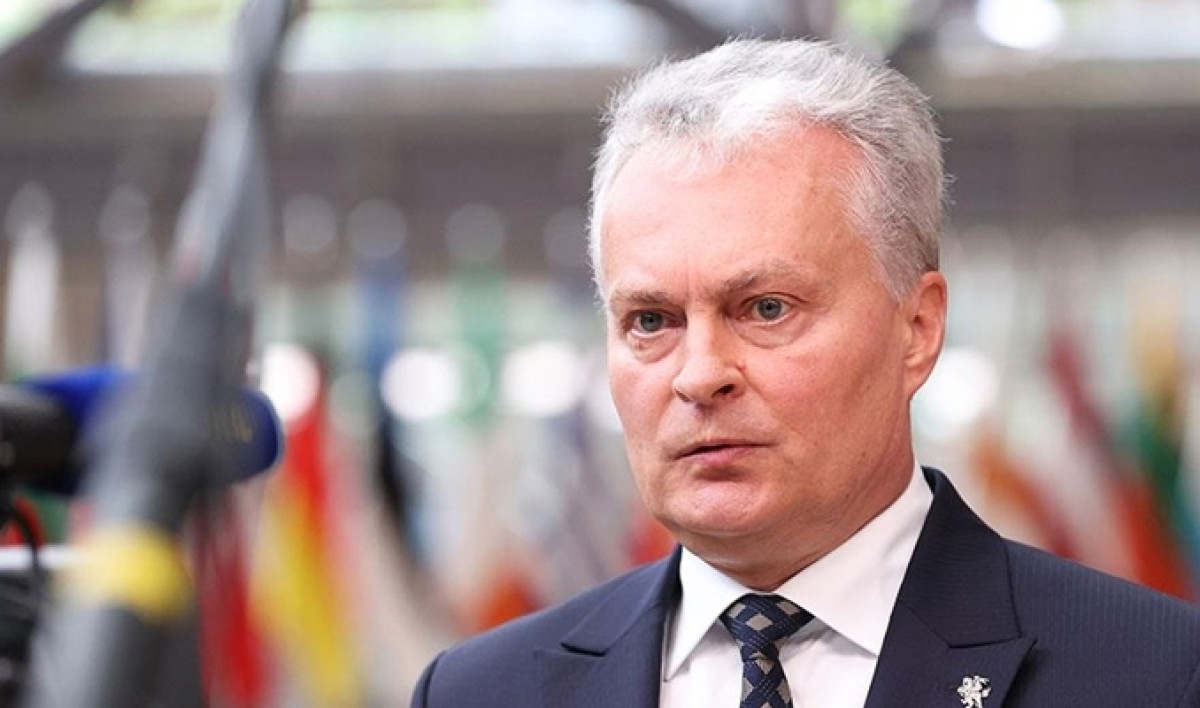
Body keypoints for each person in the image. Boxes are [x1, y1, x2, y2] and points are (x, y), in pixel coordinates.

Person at [411, 38, 1200, 707]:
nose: (700, 376)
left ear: (917, 329)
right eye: (651, 320)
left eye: (765, 309)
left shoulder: (1156, 676)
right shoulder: (478, 692)